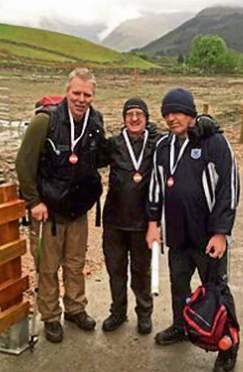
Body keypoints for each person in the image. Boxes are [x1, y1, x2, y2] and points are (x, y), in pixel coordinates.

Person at [146, 87, 240, 372]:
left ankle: (228, 345)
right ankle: (181, 327)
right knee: (178, 287)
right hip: (177, 235)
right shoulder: (163, 147)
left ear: (190, 113)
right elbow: (156, 187)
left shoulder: (213, 142)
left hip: (208, 237)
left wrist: (221, 232)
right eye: (166, 113)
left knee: (217, 291)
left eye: (177, 111)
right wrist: (153, 223)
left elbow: (229, 187)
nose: (171, 118)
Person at [16, 68, 105, 343]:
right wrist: (33, 202)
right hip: (48, 213)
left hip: (78, 212)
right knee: (47, 267)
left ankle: (76, 309)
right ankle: (51, 317)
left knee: (76, 265)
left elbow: (101, 156)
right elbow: (23, 163)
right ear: (67, 92)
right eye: (76, 93)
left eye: (86, 94)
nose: (81, 99)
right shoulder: (44, 121)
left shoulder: (96, 121)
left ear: (93, 96)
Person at [100, 98, 160, 334]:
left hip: (143, 222)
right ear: (124, 118)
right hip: (114, 220)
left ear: (146, 118)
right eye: (130, 114)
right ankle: (118, 312)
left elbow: (184, 141)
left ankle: (144, 313)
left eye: (139, 114)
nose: (134, 118)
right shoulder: (113, 144)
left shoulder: (157, 144)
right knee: (115, 269)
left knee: (140, 271)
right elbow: (89, 158)